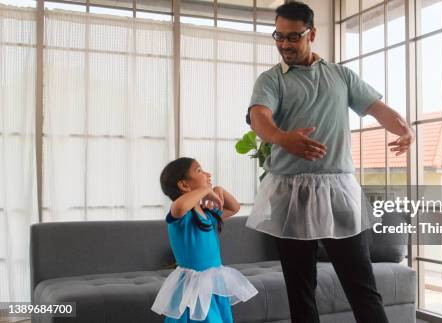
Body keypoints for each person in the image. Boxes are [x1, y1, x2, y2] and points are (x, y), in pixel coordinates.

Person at [245, 2, 415, 323]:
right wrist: (282, 138)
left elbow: (379, 109)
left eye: (293, 37)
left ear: (312, 33)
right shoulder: (271, 80)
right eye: (278, 36)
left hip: (339, 192)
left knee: (361, 285)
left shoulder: (341, 75)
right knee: (300, 290)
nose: (284, 44)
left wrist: (404, 128)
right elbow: (259, 118)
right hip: (290, 194)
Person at [152, 157, 258, 323]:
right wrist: (205, 190)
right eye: (199, 171)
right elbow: (179, 206)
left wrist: (218, 189)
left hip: (213, 281)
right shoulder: (181, 216)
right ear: (184, 185)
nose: (207, 174)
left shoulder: (207, 214)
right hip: (193, 285)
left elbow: (233, 207)